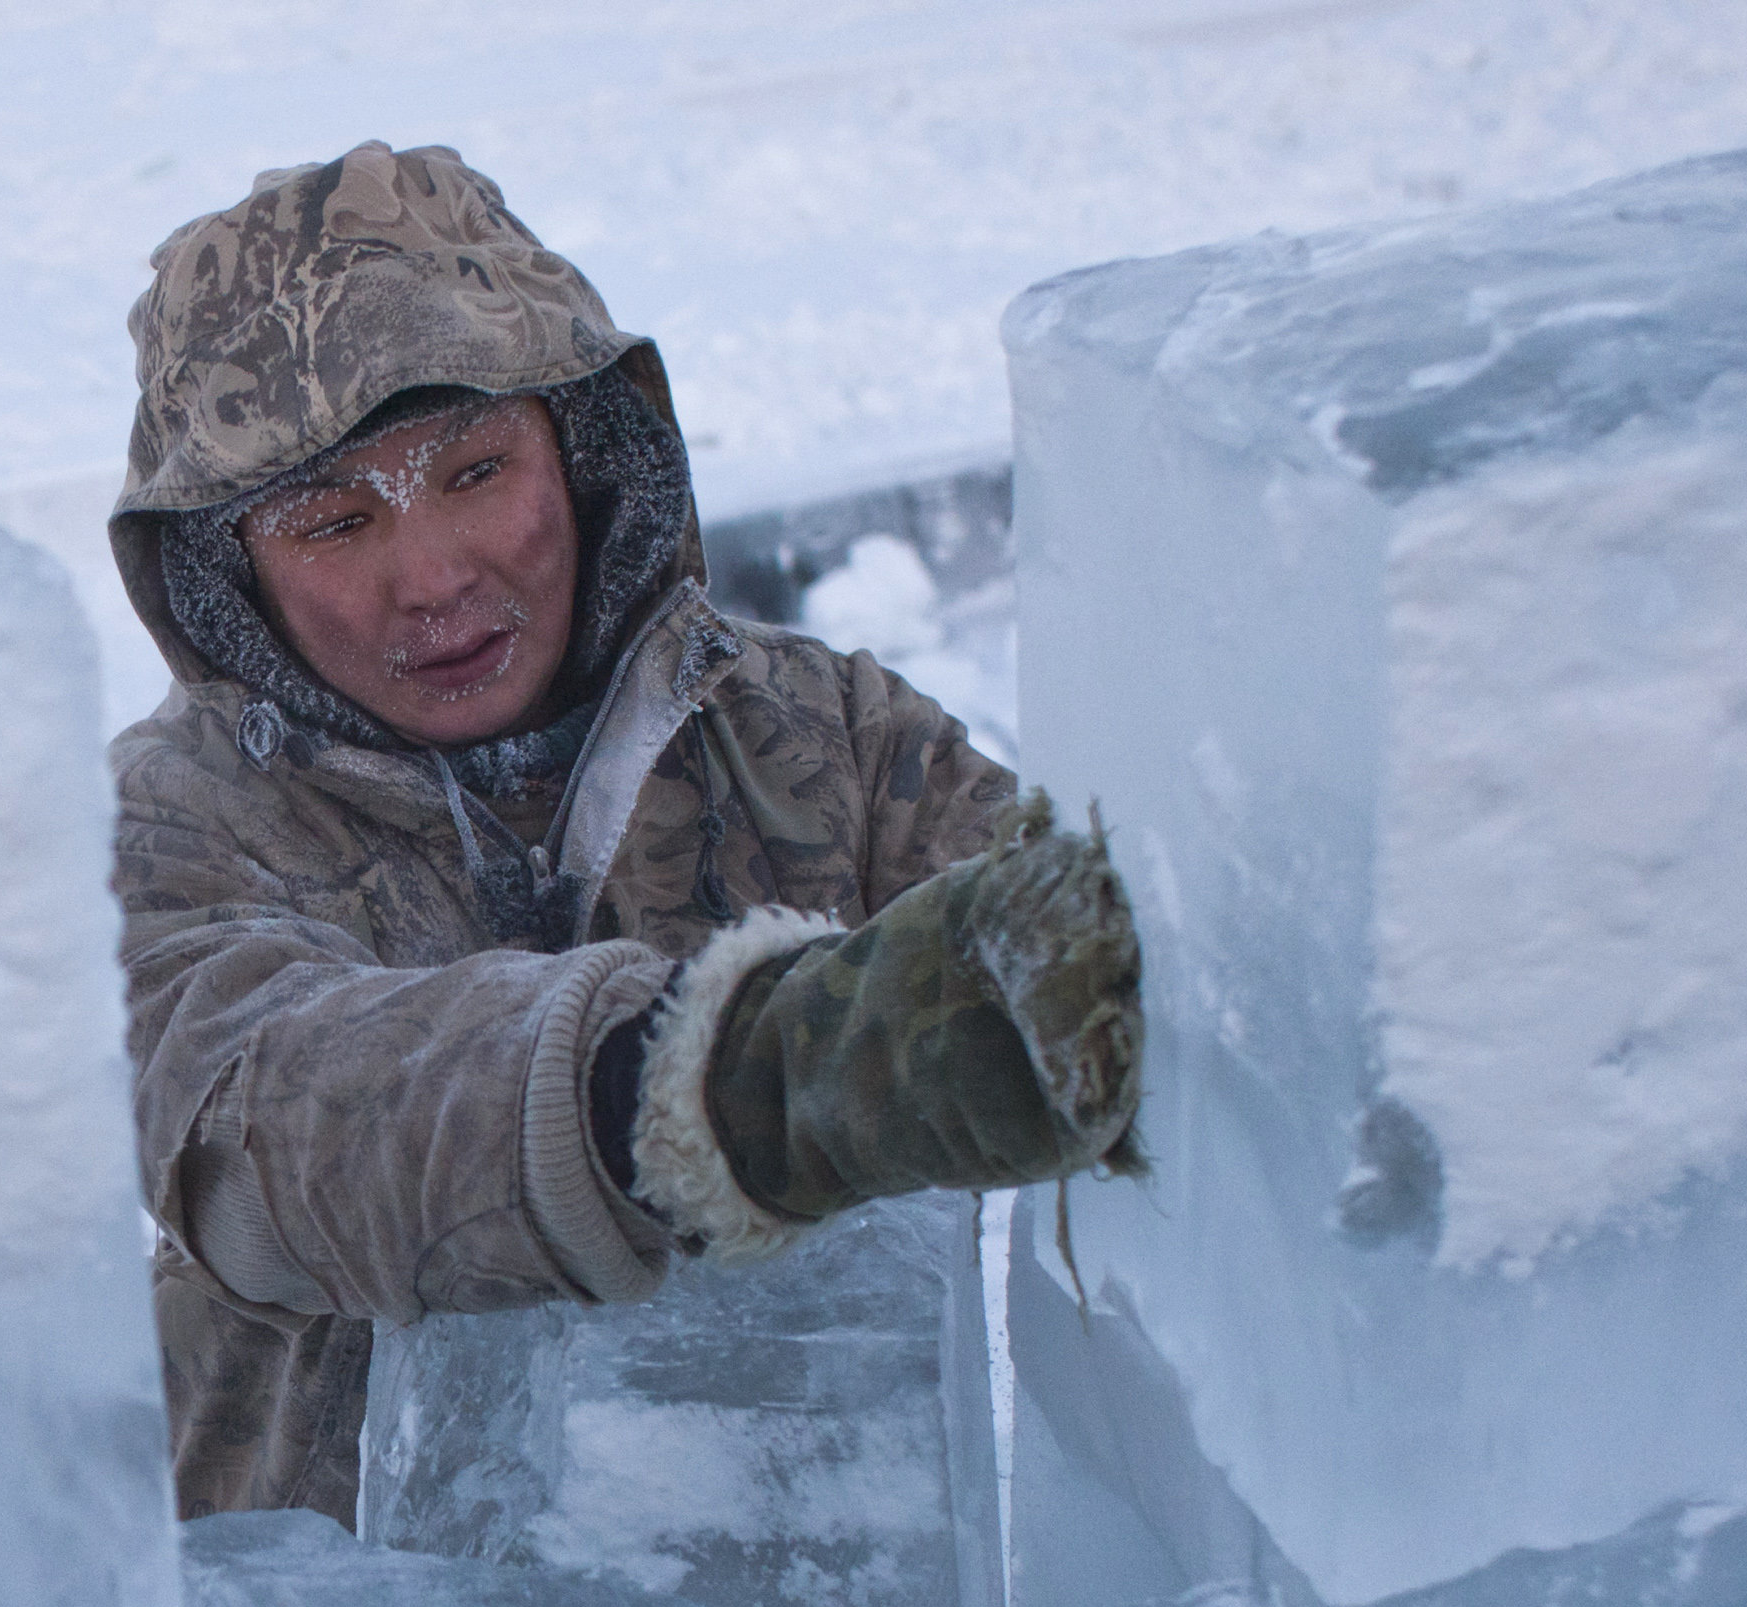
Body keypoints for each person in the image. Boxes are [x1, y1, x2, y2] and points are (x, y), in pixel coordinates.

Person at [108, 142, 1145, 1524]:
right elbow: (265, 1146)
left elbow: (1119, 968)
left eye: (476, 471)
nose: (432, 577)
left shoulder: (820, 733)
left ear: (585, 458)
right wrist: (726, 1081)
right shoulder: (163, 829)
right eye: (334, 521)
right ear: (231, 576)